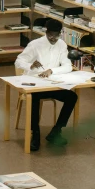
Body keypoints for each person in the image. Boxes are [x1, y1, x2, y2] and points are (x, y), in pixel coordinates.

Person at [15, 19, 77, 151]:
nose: (53, 38)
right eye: (51, 35)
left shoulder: (62, 44)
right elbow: (19, 61)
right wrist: (29, 65)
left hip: (52, 84)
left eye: (56, 35)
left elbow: (68, 66)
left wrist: (52, 70)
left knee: (72, 97)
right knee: (34, 98)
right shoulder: (35, 44)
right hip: (35, 84)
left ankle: (56, 131)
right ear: (46, 32)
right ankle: (35, 134)